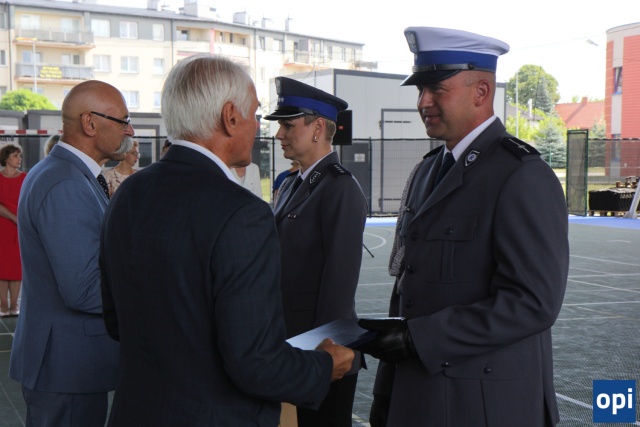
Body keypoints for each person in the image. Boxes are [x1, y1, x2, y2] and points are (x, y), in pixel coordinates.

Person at [99, 53, 354, 427]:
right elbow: (255, 364)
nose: (259, 126)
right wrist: (324, 364)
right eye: (254, 114)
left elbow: (116, 322)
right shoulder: (240, 211)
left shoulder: (129, 193)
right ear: (230, 117)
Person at [357, 27, 570, 427]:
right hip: (420, 396)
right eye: (420, 90)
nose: (423, 101)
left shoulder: (520, 175)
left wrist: (418, 339)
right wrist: (387, 391)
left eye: (437, 89)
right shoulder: (428, 171)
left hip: (483, 405)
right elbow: (409, 290)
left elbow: (532, 303)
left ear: (481, 92)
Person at [10, 80, 135, 427]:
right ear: (89, 123)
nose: (129, 130)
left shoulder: (65, 173)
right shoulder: (66, 182)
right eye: (123, 120)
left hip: (66, 364)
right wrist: (153, 293)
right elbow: (83, 289)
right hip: (67, 366)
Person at [265, 76, 368, 427]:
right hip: (295, 349)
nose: (279, 134)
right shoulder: (292, 184)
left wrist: (323, 357)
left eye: (288, 125)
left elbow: (338, 286)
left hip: (324, 354)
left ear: (318, 128)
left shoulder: (340, 188)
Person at [0, 144, 26, 317]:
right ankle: (3, 306)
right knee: (2, 268)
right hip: (3, 228)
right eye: (16, 156)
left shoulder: (25, 178)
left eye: (20, 156)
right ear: (6, 158)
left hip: (20, 228)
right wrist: (12, 217)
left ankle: (14, 305)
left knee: (16, 268)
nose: (19, 159)